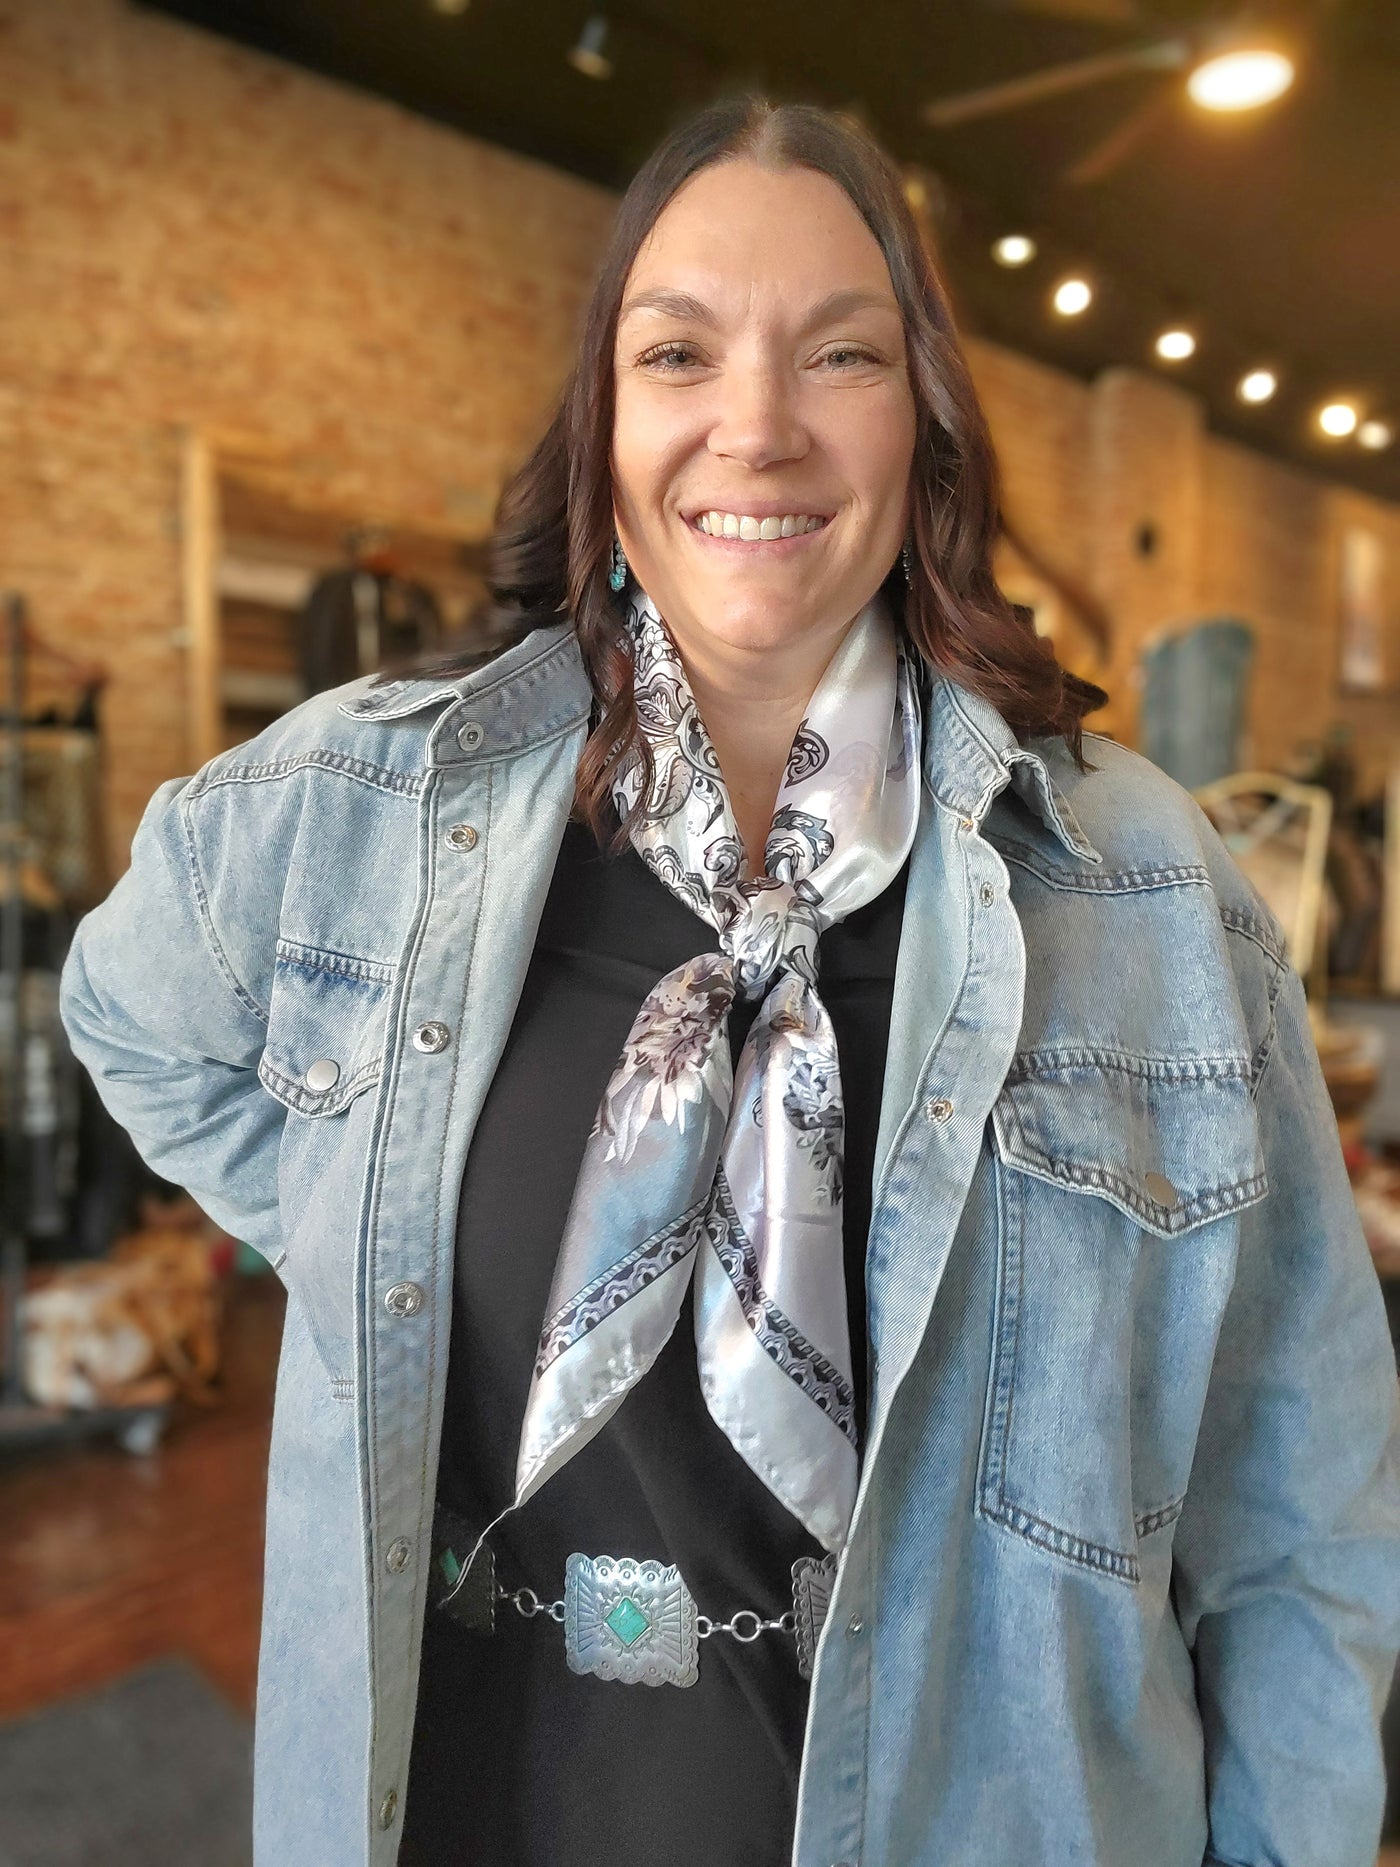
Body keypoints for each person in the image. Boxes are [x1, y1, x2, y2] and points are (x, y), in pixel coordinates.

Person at [59, 94, 1400, 1867]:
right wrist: (359, 1214)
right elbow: (130, 1010)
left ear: (922, 422)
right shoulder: (365, 809)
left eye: (837, 352)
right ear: (606, 422)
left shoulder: (1143, 889)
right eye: (678, 349)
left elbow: (1304, 1511)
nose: (753, 428)